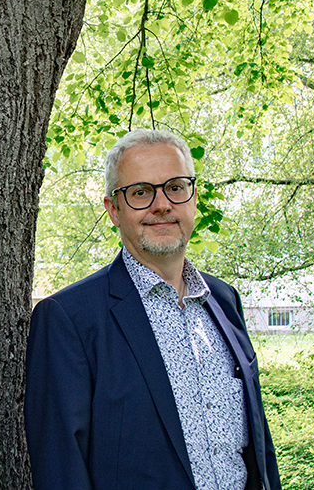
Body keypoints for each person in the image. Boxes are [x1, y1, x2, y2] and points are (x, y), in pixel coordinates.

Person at [24, 129, 280, 490]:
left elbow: (259, 448)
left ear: (194, 197)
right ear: (113, 209)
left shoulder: (224, 301)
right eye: (141, 192)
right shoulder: (69, 320)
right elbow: (60, 470)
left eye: (175, 186)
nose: (162, 204)